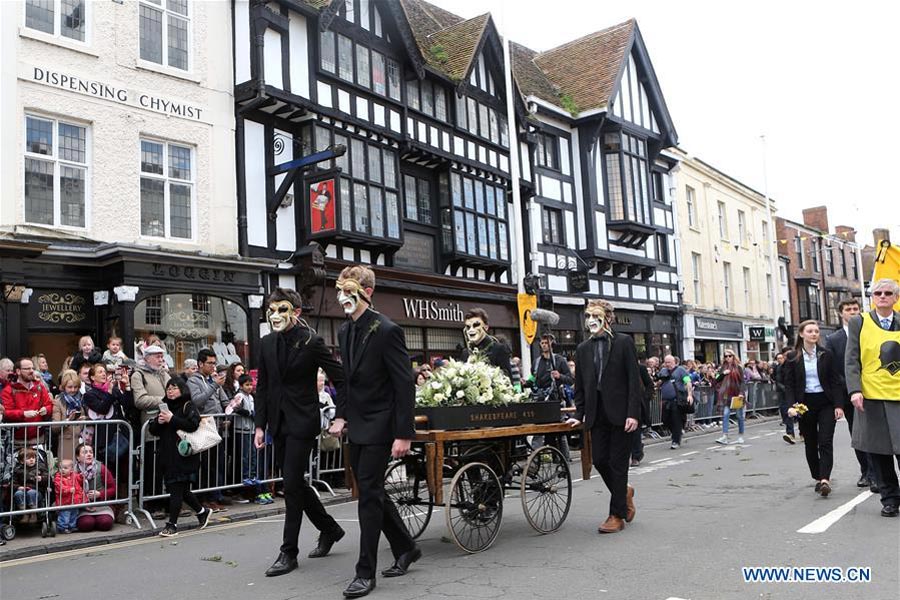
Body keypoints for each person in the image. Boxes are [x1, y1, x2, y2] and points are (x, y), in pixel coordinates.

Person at [328, 266, 419, 598]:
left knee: (367, 494)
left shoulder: (387, 330)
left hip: (382, 424)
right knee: (371, 490)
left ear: (365, 291)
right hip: (358, 423)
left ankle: (364, 572)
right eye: (339, 289)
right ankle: (407, 546)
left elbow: (404, 384)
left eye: (347, 288)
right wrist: (341, 416)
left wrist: (403, 433)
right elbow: (348, 381)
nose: (342, 296)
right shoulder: (344, 331)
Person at [254, 288, 347, 577]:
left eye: (282, 309)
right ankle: (330, 529)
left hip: (303, 422)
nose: (276, 315)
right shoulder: (266, 343)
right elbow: (263, 387)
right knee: (293, 483)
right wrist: (260, 425)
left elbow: (341, 378)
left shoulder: (311, 341)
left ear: (296, 312)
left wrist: (341, 416)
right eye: (272, 310)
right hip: (278, 423)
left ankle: (288, 552)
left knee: (292, 484)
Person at [567, 299, 641, 534]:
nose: (591, 320)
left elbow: (633, 381)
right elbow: (580, 385)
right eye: (587, 316)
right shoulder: (582, 349)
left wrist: (633, 413)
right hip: (596, 414)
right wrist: (579, 413)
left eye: (595, 315)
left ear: (608, 318)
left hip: (621, 414)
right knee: (599, 460)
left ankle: (616, 515)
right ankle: (625, 492)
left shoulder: (624, 342)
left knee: (618, 465)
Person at [845, 278, 900, 517]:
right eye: (878, 292)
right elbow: (851, 359)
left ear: (896, 298)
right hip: (872, 396)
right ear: (872, 297)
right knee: (879, 451)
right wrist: (854, 390)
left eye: (888, 293)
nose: (883, 296)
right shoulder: (859, 322)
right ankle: (890, 499)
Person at [783, 320, 842, 497]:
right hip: (804, 404)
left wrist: (839, 405)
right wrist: (791, 406)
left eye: (816, 331)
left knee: (825, 441)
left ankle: (825, 479)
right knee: (811, 442)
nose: (814, 334)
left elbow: (835, 381)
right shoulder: (793, 357)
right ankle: (817, 476)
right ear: (801, 334)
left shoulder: (826, 354)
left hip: (825, 402)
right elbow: (789, 385)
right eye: (810, 331)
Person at [148, 379, 213, 537]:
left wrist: (173, 420)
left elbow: (193, 425)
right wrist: (158, 421)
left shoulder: (188, 405)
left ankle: (172, 525)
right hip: (167, 454)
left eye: (174, 388)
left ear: (182, 390)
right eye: (168, 388)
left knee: (176, 489)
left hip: (183, 455)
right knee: (181, 489)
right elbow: (154, 431)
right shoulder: (165, 406)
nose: (170, 391)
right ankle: (202, 512)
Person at [826, 298, 878, 490]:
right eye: (848, 309)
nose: (853, 312)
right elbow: (833, 368)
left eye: (856, 309)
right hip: (847, 393)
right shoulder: (833, 339)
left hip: (872, 390)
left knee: (872, 433)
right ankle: (865, 470)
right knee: (856, 434)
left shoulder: (869, 332)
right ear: (841, 313)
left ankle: (875, 473)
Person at [188, 349, 231, 510]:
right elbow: (197, 401)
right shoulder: (194, 381)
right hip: (204, 427)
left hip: (218, 426)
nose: (213, 367)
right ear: (200, 364)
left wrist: (229, 413)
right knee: (206, 465)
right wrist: (214, 385)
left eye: (214, 363)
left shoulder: (214, 380)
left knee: (218, 463)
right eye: (210, 363)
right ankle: (204, 498)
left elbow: (224, 400)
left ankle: (216, 495)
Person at [229, 374, 265, 503]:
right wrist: (248, 413)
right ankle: (245, 482)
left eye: (251, 384)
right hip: (242, 430)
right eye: (247, 385)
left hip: (251, 430)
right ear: (241, 385)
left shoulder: (251, 396)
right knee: (245, 458)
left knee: (252, 457)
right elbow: (233, 408)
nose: (250, 387)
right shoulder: (239, 396)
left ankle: (252, 479)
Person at [1, 357, 53, 442]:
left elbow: (49, 405)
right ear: (18, 371)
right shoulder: (9, 390)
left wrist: (46, 409)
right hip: (17, 440)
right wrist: (23, 414)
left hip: (38, 438)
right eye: (27, 369)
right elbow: (6, 413)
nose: (31, 371)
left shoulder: (39, 387)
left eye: (32, 368)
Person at [459, 308, 512, 380]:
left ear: (486, 327)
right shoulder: (465, 353)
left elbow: (507, 380)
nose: (471, 330)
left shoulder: (499, 349)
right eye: (468, 327)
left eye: (476, 325)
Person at [74, 443, 116, 532]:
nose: (89, 454)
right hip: (82, 507)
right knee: (86, 524)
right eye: (85, 452)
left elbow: (113, 488)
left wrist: (99, 494)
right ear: (77, 457)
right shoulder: (73, 471)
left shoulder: (101, 468)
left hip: (101, 505)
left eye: (91, 452)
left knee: (105, 523)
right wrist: (83, 499)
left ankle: (100, 519)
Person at [658, 355, 693, 449]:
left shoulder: (681, 370)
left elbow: (688, 382)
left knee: (676, 419)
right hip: (665, 401)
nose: (667, 364)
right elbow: (659, 381)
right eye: (665, 362)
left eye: (669, 362)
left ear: (674, 362)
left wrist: (689, 395)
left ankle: (675, 440)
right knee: (665, 420)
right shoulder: (663, 371)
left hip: (676, 400)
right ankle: (677, 432)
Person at [715, 351, 745, 445]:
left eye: (729, 356)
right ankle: (725, 436)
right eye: (725, 356)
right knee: (725, 414)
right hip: (726, 395)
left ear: (733, 356)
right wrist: (723, 373)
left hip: (737, 395)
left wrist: (741, 392)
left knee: (739, 416)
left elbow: (742, 382)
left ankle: (740, 435)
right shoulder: (723, 368)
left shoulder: (739, 368)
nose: (727, 358)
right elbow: (717, 379)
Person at [13, 447, 48, 520]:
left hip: (36, 491)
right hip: (23, 490)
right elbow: (13, 482)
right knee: (18, 494)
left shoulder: (40, 467)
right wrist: (18, 487)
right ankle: (24, 513)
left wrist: (42, 478)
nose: (32, 460)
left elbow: (48, 478)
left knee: (31, 493)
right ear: (22, 461)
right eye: (28, 458)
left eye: (33, 458)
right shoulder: (18, 470)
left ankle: (33, 514)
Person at [54, 458, 85, 533]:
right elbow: (59, 488)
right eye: (60, 468)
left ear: (71, 469)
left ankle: (72, 526)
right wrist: (68, 490)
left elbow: (79, 480)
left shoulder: (74, 475)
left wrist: (81, 476)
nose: (62, 470)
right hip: (65, 502)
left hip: (74, 501)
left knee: (74, 514)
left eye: (65, 468)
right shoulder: (58, 478)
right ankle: (62, 527)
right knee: (65, 516)